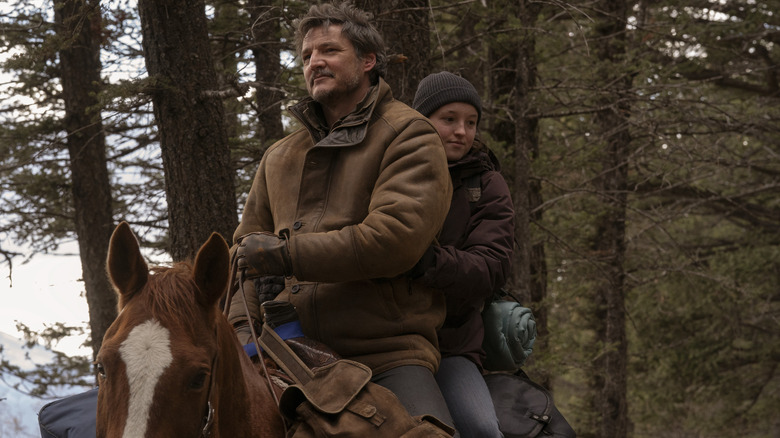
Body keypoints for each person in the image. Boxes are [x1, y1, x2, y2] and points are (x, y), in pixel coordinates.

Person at [228, 2, 457, 432]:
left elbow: (395, 239)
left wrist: (287, 255)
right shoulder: (279, 156)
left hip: (383, 353)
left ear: (368, 60)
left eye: (329, 50)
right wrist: (242, 332)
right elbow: (241, 259)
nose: (315, 62)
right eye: (307, 56)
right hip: (283, 352)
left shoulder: (408, 134)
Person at [410, 71, 516, 438]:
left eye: (471, 122)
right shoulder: (394, 174)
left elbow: (492, 267)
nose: (461, 131)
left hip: (452, 346)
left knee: (482, 429)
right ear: (421, 121)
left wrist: (428, 264)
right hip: (389, 342)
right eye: (449, 119)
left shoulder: (485, 183)